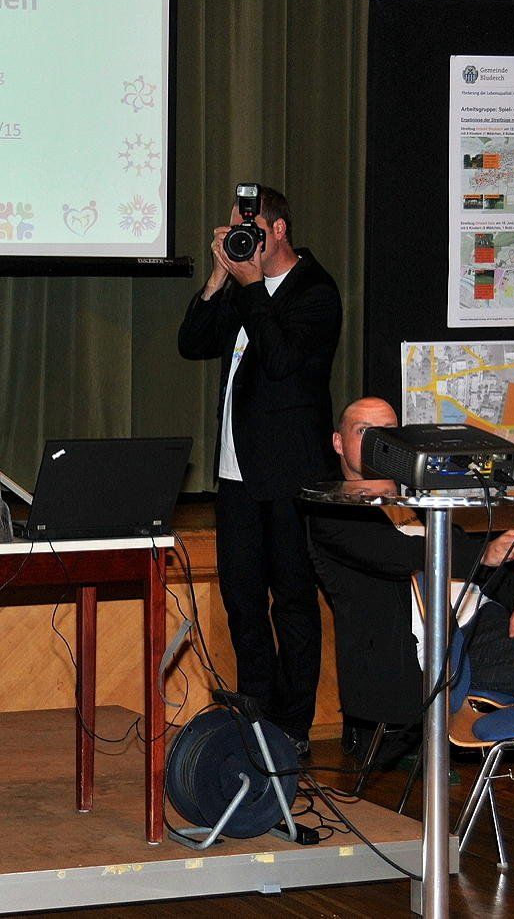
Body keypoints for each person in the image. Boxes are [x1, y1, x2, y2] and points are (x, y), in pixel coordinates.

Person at [308, 398, 514, 734]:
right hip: (458, 644)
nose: (378, 443)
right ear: (338, 442)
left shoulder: (418, 501)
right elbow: (400, 555)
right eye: (364, 431)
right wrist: (486, 553)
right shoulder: (332, 511)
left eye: (387, 433)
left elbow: (476, 559)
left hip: (496, 610)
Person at [177, 184, 341, 756]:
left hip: (290, 474)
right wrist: (219, 279)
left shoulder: (315, 291)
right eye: (232, 232)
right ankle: (255, 720)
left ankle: (293, 728)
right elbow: (191, 343)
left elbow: (280, 360)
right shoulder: (239, 288)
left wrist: (250, 287)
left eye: (248, 231)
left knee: (292, 602)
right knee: (242, 600)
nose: (240, 240)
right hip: (235, 476)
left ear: (277, 230)